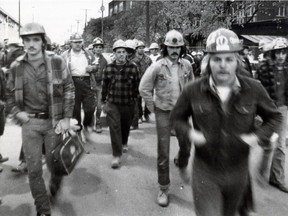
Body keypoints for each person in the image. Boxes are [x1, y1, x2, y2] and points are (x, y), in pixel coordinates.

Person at [170, 28, 281, 216]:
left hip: (238, 174)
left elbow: (275, 117)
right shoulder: (193, 90)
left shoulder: (253, 89)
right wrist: (190, 133)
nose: (223, 65)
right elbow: (176, 117)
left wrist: (257, 137)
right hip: (205, 173)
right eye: (217, 59)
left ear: (237, 62)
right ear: (208, 62)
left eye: (229, 59)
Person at [6, 22, 75, 216]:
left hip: (54, 123)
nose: (31, 44)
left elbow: (69, 87)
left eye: (35, 39)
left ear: (43, 41)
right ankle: (43, 209)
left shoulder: (57, 62)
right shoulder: (16, 66)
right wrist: (16, 112)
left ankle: (55, 184)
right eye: (27, 40)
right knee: (34, 170)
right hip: (30, 125)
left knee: (56, 166)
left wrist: (67, 118)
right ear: (23, 43)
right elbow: (9, 95)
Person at [139, 29, 194, 207]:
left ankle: (181, 160)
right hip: (163, 111)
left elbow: (192, 86)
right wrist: (151, 106)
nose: (174, 50)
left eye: (177, 47)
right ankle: (163, 188)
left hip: (182, 112)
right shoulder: (157, 66)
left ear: (181, 48)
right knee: (163, 152)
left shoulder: (187, 65)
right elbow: (143, 88)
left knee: (186, 143)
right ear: (165, 48)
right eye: (171, 47)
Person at [101, 39, 139, 169]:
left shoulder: (133, 68)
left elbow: (136, 86)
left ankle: (124, 142)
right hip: (113, 104)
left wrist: (135, 101)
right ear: (114, 53)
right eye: (118, 52)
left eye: (123, 52)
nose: (121, 54)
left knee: (125, 125)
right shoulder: (109, 68)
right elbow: (104, 86)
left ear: (127, 54)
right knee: (114, 127)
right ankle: (116, 155)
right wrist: (102, 101)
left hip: (128, 103)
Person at [257, 37, 288, 193]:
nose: (281, 55)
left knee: (281, 145)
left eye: (284, 52)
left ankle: (277, 178)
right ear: (273, 53)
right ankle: (260, 171)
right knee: (266, 142)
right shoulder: (264, 68)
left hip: (282, 109)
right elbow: (258, 89)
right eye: (278, 52)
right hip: (267, 109)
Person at [61, 33, 97, 141]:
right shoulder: (65, 55)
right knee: (75, 110)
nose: (78, 44)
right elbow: (60, 70)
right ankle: (78, 131)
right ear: (71, 43)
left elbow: (96, 66)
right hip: (72, 83)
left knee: (90, 107)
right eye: (75, 42)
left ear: (82, 42)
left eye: (80, 42)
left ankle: (87, 125)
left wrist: (92, 68)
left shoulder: (89, 54)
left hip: (87, 82)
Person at [91, 37, 108, 133]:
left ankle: (97, 123)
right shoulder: (89, 58)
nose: (98, 49)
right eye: (96, 47)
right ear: (93, 48)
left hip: (99, 85)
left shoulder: (104, 61)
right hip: (90, 85)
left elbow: (106, 74)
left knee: (99, 106)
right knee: (90, 106)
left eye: (100, 47)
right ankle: (89, 123)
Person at [134, 40, 152, 123]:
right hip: (137, 81)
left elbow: (152, 69)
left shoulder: (148, 59)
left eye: (142, 48)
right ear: (136, 49)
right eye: (139, 48)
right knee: (138, 99)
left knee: (148, 98)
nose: (141, 49)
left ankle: (147, 114)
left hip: (147, 81)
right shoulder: (133, 59)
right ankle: (139, 115)